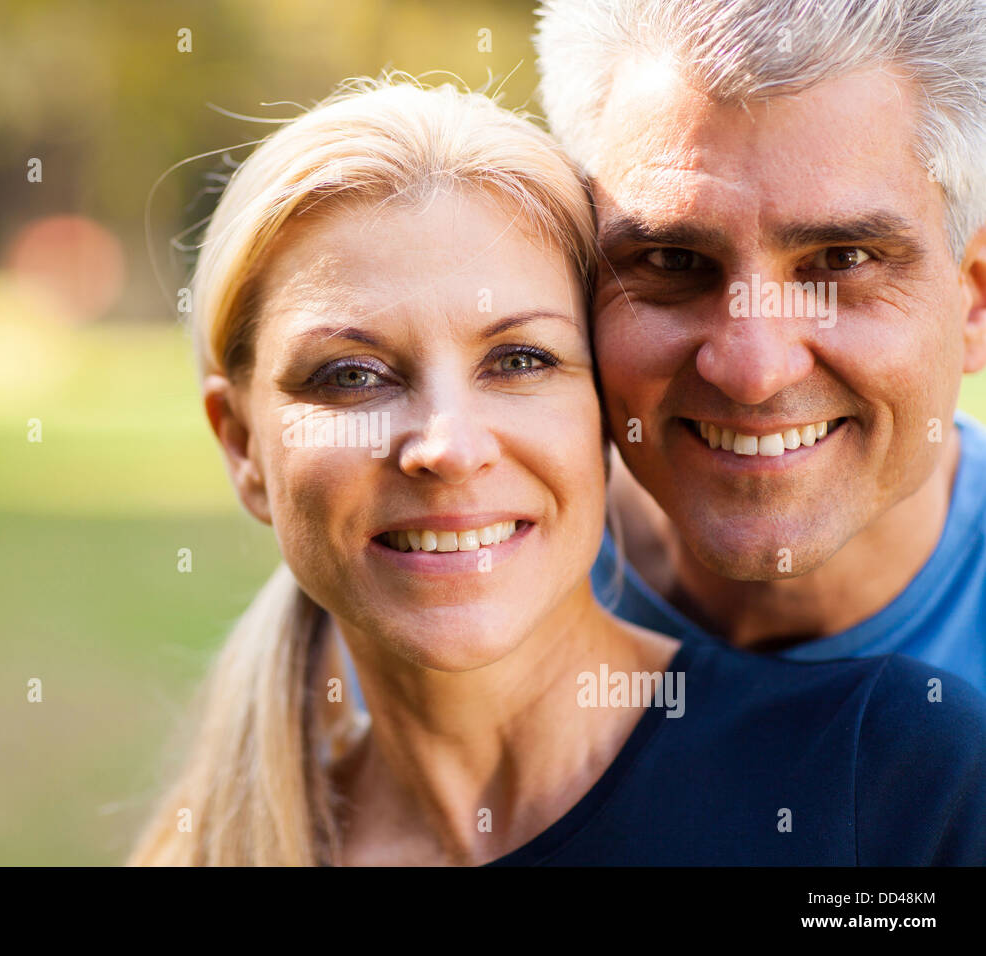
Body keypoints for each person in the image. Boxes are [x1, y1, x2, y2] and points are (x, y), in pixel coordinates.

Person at [127, 76, 986, 866]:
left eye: (519, 360)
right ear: (241, 445)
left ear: (607, 404)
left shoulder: (889, 776)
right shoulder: (231, 842)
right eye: (352, 376)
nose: (449, 446)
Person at [533, 0, 986, 693]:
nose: (753, 370)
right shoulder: (437, 585)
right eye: (673, 260)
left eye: (843, 259)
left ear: (974, 301)